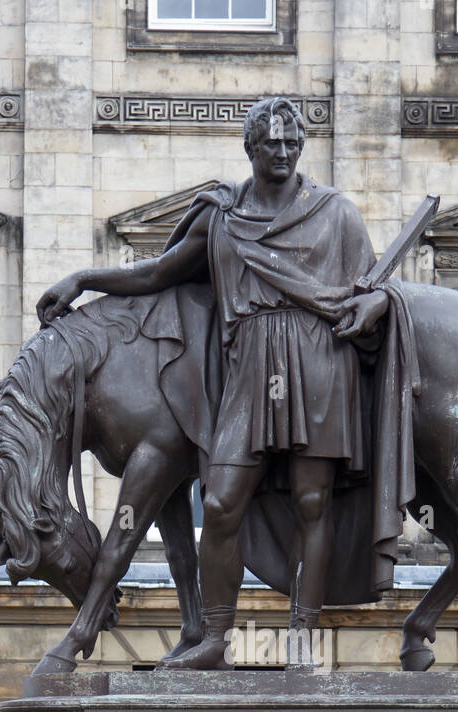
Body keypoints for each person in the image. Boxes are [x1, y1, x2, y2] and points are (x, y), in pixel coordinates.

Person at [38, 96, 415, 668]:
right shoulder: (222, 215)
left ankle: (303, 645)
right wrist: (83, 278)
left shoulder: (337, 213)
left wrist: (379, 304)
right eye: (272, 144)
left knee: (314, 502)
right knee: (219, 503)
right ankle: (214, 638)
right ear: (251, 149)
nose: (284, 152)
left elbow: (370, 287)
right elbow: (159, 272)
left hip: (318, 364)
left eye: (292, 143)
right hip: (250, 365)